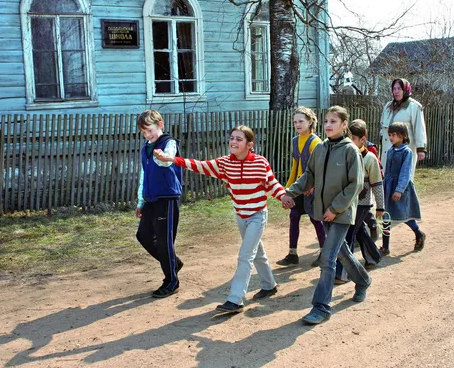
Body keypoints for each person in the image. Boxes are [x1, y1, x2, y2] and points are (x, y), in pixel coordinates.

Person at [154, 125, 286, 313]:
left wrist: (283, 197)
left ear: (249, 144)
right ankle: (269, 285)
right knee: (257, 253)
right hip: (241, 215)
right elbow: (199, 165)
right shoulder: (224, 164)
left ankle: (235, 299)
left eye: (239, 139)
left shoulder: (260, 162)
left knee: (245, 256)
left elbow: (272, 184)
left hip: (257, 215)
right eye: (232, 138)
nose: (233, 142)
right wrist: (172, 159)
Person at [281, 106, 372, 325]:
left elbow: (355, 184)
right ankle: (363, 280)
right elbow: (308, 176)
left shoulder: (350, 150)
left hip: (340, 214)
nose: (328, 125)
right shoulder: (320, 149)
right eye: (326, 121)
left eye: (334, 121)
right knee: (342, 253)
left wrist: (335, 209)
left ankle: (321, 307)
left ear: (344, 125)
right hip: (323, 212)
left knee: (328, 258)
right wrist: (289, 192)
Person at [135, 110, 184, 298]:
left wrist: (163, 157)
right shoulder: (145, 148)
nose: (148, 135)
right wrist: (140, 201)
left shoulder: (168, 143)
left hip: (167, 198)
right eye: (144, 132)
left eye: (151, 130)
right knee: (143, 236)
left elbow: (168, 160)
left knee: (165, 242)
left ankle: (171, 280)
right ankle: (174, 263)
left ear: (160, 125)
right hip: (150, 199)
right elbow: (144, 175)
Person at [336, 119, 385, 282]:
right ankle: (373, 256)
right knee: (360, 232)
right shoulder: (345, 155)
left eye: (353, 139)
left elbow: (377, 183)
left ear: (363, 139)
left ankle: (342, 273)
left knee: (349, 235)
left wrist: (380, 207)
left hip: (362, 204)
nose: (349, 143)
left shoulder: (370, 159)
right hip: (347, 203)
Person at [277, 107, 326, 267]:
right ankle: (292, 254)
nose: (297, 124)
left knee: (316, 219)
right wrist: (288, 188)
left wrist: (312, 186)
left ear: (310, 121)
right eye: (295, 122)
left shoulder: (316, 142)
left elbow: (319, 169)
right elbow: (295, 166)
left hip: (312, 189)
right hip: (299, 187)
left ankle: (324, 253)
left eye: (301, 121)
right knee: (294, 217)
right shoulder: (295, 140)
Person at [380, 122, 426, 255]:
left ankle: (419, 233)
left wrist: (399, 189)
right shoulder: (390, 150)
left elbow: (405, 173)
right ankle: (385, 247)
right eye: (389, 135)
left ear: (402, 135)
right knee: (386, 216)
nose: (391, 137)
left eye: (394, 135)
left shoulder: (407, 152)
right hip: (388, 187)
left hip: (400, 188)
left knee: (403, 215)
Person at [380, 78, 428, 181]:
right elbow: (383, 128)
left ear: (406, 90)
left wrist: (421, 149)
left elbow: (419, 128)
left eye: (399, 89)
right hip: (388, 151)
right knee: (386, 178)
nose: (396, 91)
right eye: (394, 89)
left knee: (403, 180)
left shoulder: (414, 107)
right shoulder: (388, 106)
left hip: (405, 150)